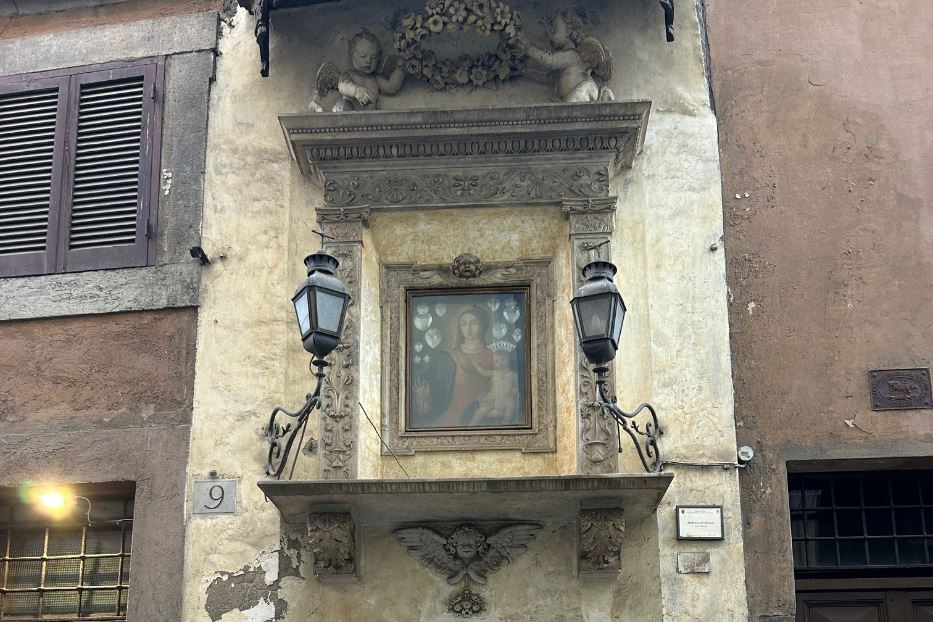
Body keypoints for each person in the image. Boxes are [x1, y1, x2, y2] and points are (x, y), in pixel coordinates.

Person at [412, 307, 495, 428]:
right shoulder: (448, 357)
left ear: (483, 325)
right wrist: (424, 394)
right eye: (464, 324)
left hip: (485, 415)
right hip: (453, 416)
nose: (468, 329)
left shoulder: (494, 355)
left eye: (474, 323)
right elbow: (436, 389)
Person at [519, 11, 613, 103]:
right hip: (571, 96)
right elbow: (548, 77)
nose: (550, 35)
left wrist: (527, 48)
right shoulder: (563, 69)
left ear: (569, 32)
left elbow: (550, 61)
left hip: (585, 89)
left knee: (572, 101)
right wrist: (523, 71)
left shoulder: (571, 55)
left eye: (554, 29)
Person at [310, 29, 406, 112]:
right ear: (352, 56)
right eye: (363, 56)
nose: (368, 61)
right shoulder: (351, 75)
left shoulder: (375, 79)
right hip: (349, 113)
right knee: (343, 105)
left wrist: (401, 68)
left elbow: (391, 87)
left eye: (373, 57)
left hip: (369, 119)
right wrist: (357, 91)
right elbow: (343, 85)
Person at [467, 342, 522, 427]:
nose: (500, 363)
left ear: (509, 359)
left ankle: (505, 423)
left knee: (511, 407)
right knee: (481, 411)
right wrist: (476, 366)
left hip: (507, 399)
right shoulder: (494, 373)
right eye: (497, 361)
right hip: (493, 398)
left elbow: (516, 386)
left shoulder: (513, 375)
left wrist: (515, 389)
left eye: (503, 360)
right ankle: (472, 424)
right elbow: (483, 372)